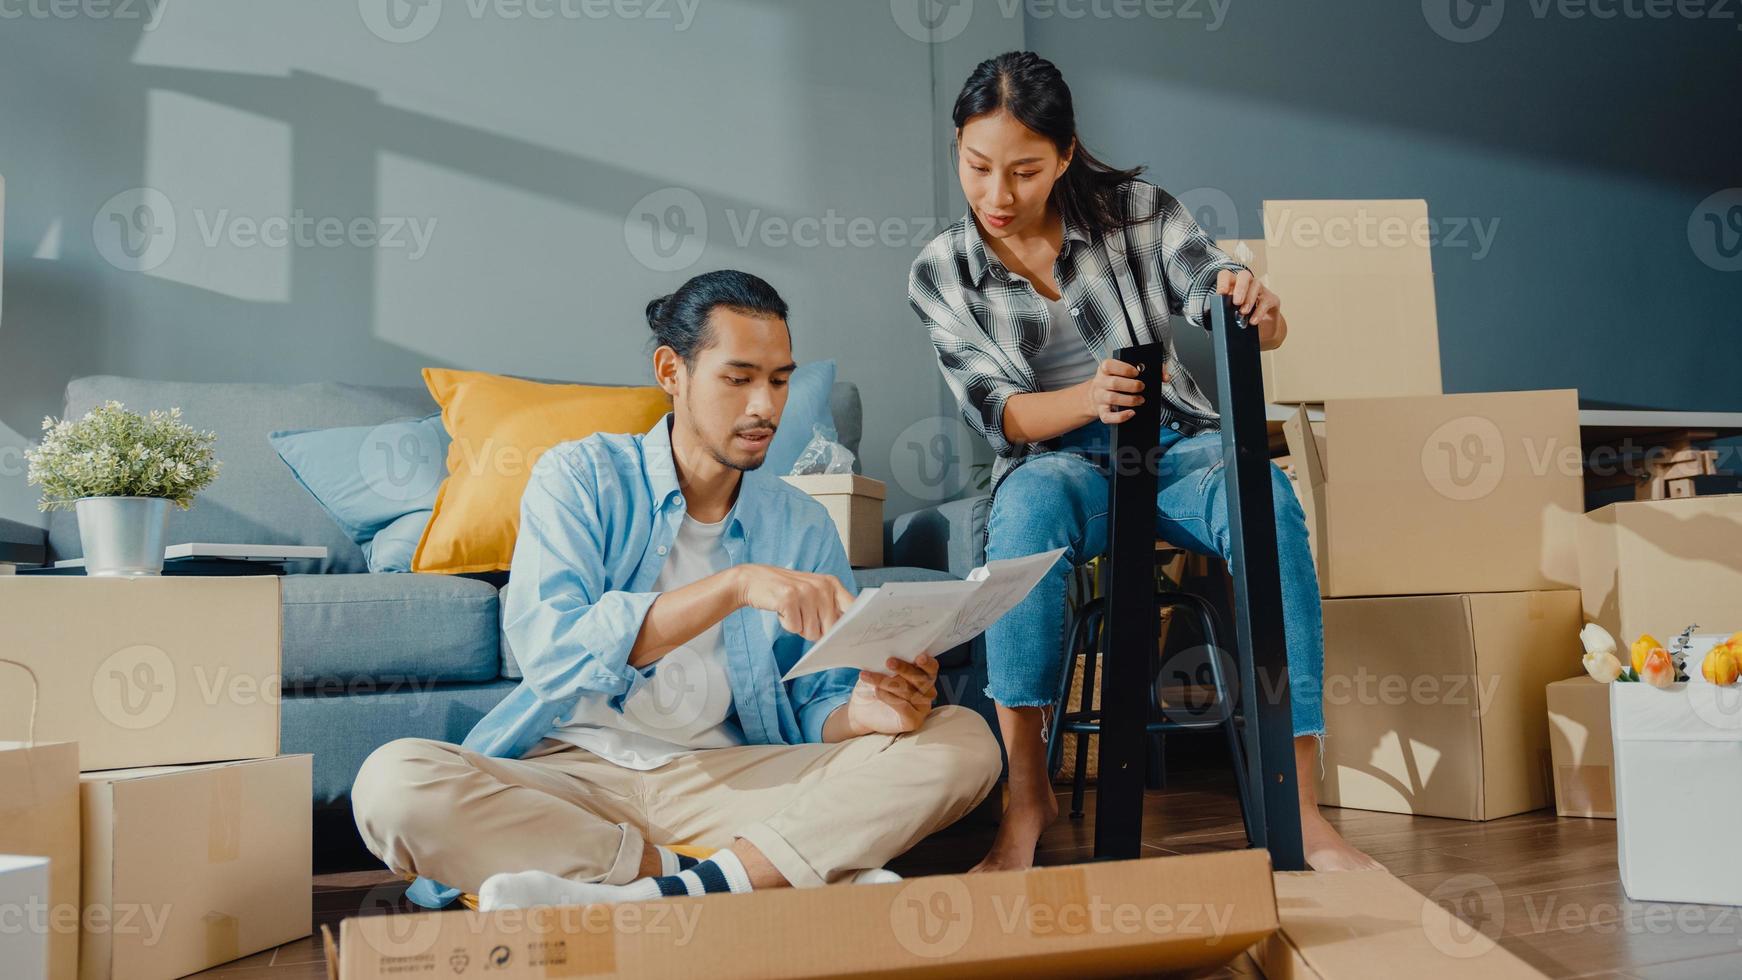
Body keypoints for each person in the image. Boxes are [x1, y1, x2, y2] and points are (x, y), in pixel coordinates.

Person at [353, 270, 1003, 911]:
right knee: (392, 786)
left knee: (965, 741)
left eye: (779, 381)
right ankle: (729, 877)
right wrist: (735, 586)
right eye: (738, 378)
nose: (765, 406)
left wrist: (864, 715)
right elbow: (552, 654)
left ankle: (649, 890)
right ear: (672, 371)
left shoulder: (800, 522)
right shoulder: (580, 477)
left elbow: (812, 706)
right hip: (572, 776)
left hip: (729, 782)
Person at [907, 51, 1382, 873]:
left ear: (1062, 155)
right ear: (957, 147)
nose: (998, 195)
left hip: (1174, 445)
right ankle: (1027, 804)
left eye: (1024, 171)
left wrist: (1255, 305)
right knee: (1021, 514)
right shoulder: (941, 270)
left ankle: (1297, 808)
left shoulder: (1136, 212)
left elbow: (1221, 291)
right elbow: (1003, 413)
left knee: (1264, 497)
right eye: (978, 168)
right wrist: (1091, 401)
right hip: (1057, 462)